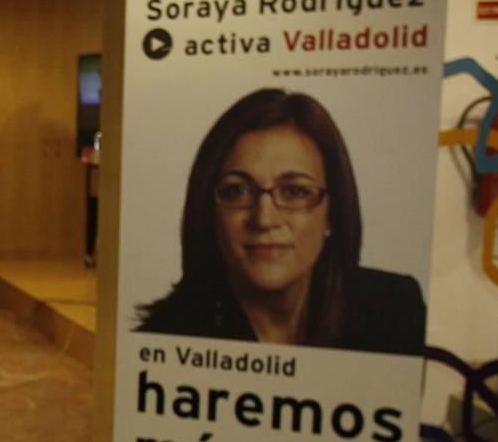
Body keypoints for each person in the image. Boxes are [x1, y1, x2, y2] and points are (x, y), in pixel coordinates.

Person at [136, 87, 425, 354]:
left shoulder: (395, 310)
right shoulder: (163, 340)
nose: (264, 219)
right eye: (237, 191)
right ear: (211, 213)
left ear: (331, 216)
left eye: (295, 191)